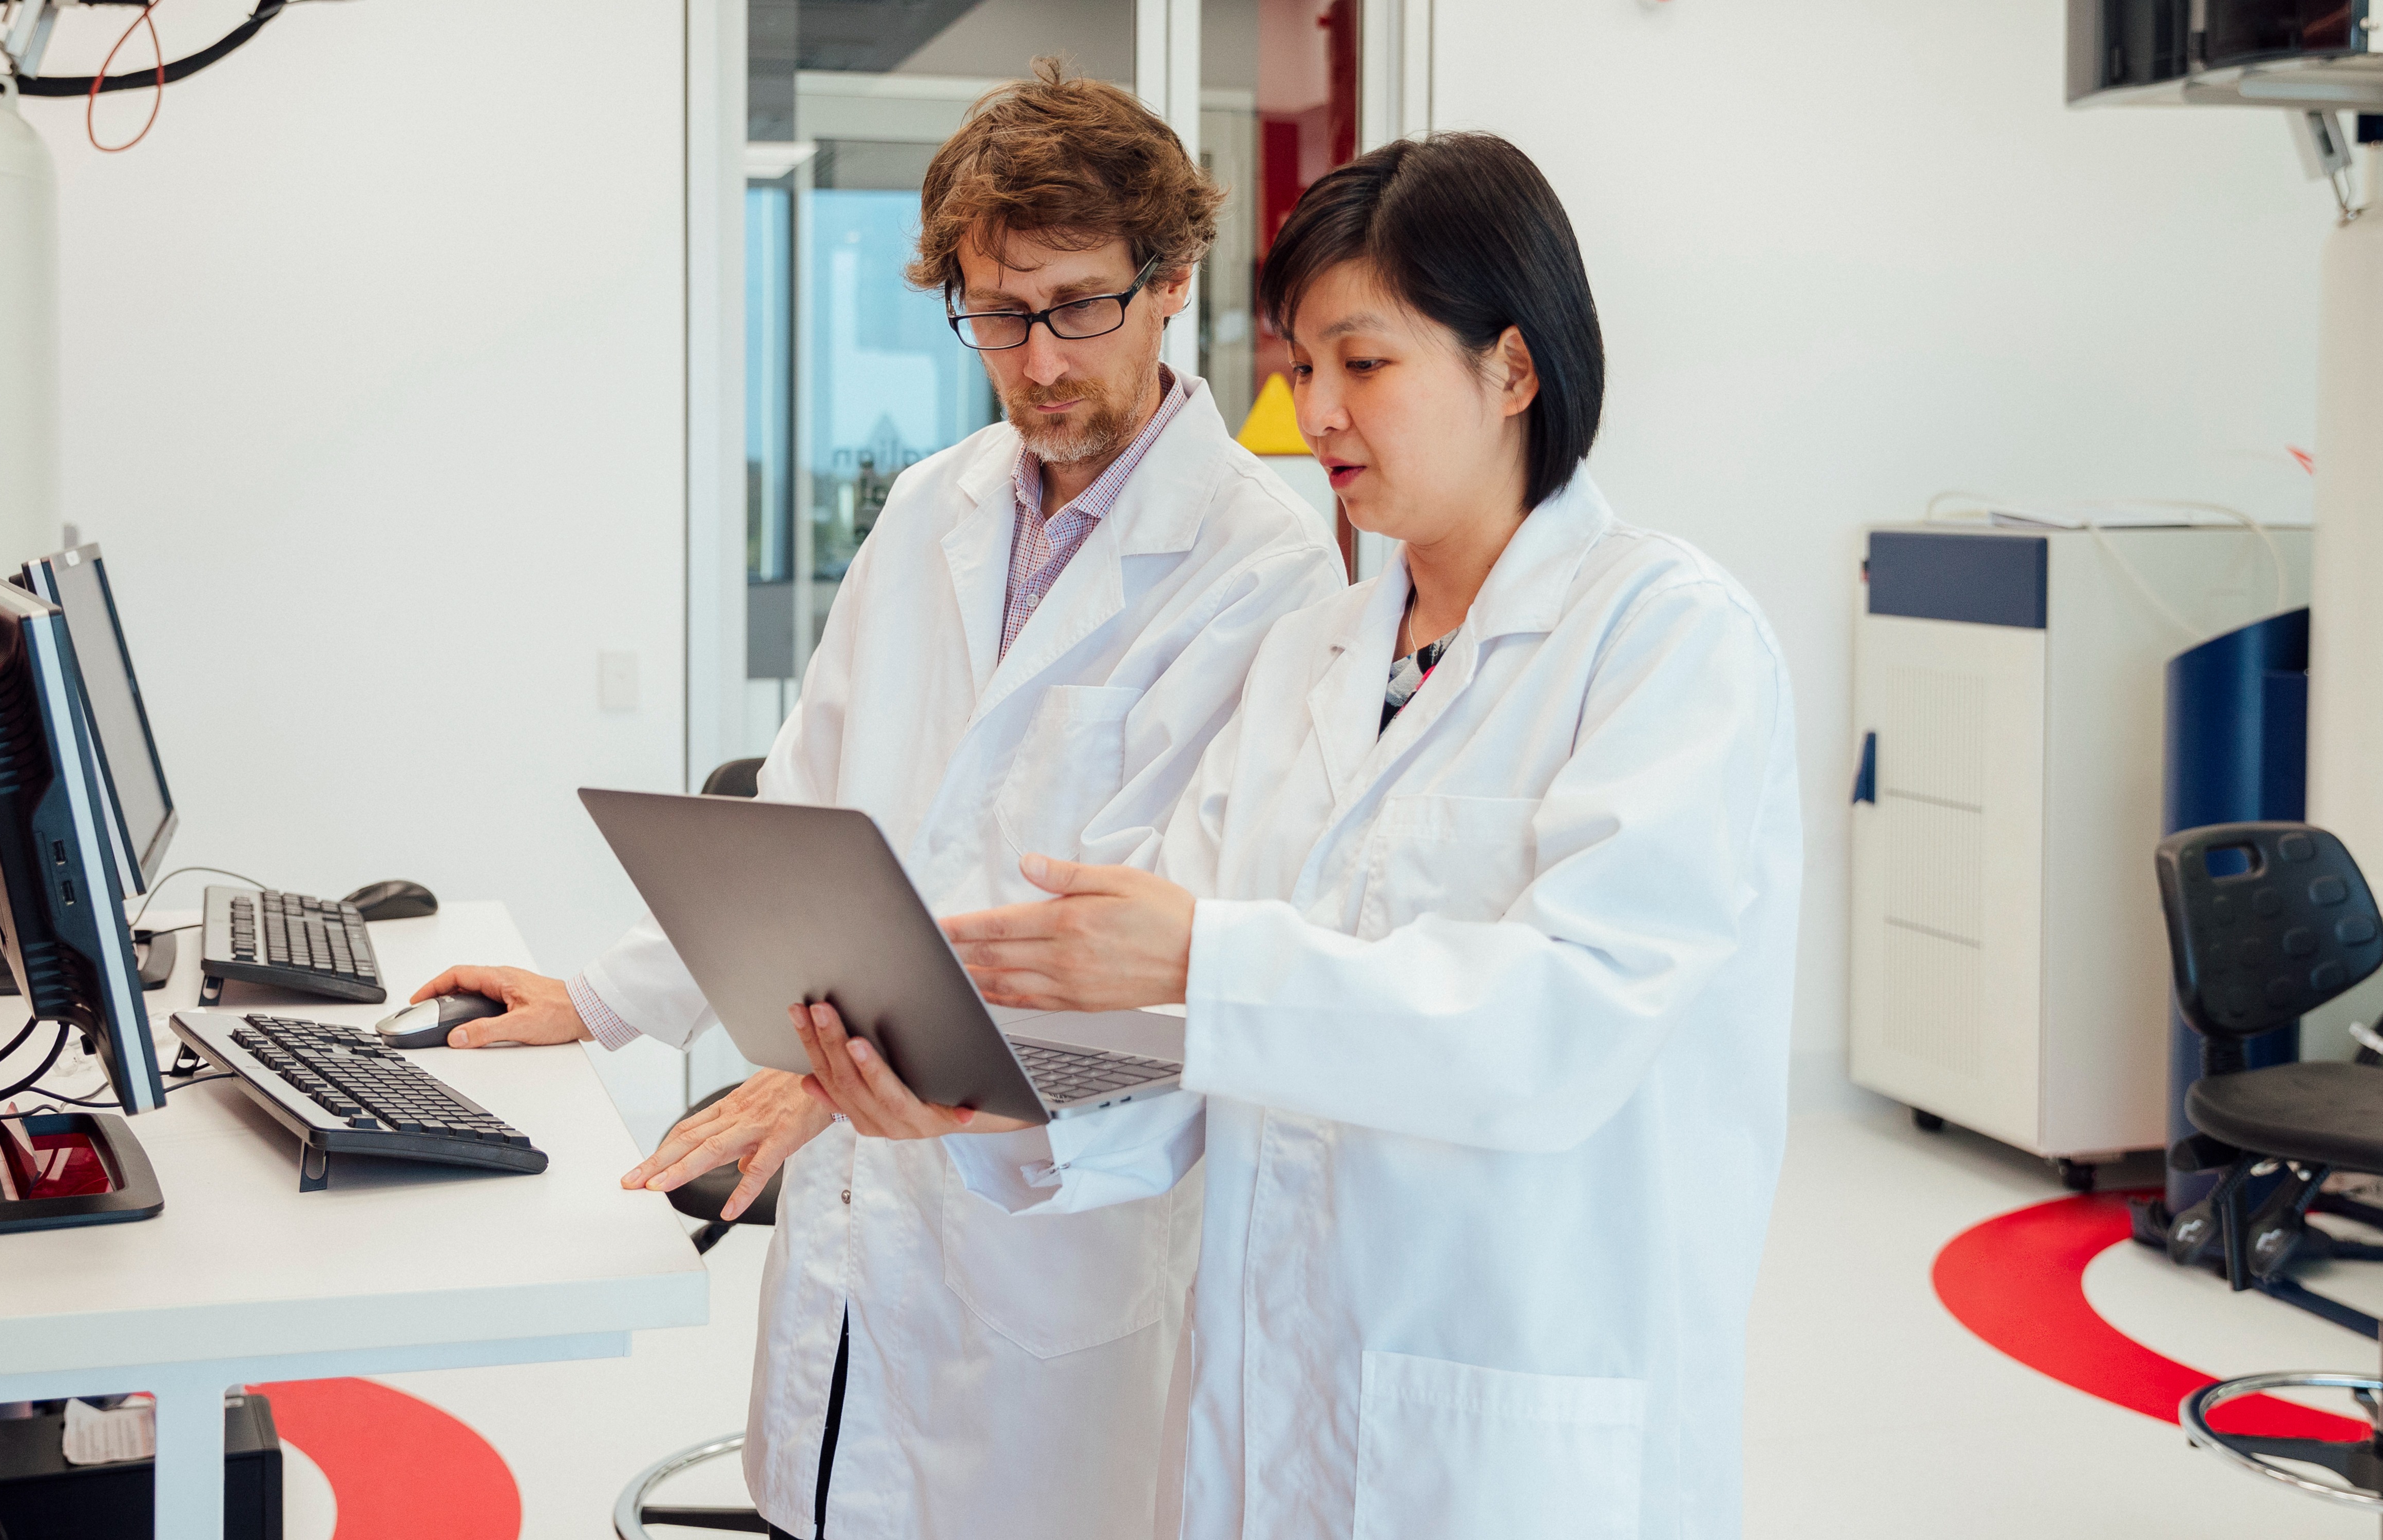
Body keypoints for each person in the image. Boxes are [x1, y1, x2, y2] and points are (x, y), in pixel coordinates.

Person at [787, 131, 1802, 1540]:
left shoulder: (1665, 644)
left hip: (1503, 1399)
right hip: (1270, 1390)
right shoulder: (1318, 655)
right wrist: (977, 1105)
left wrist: (1204, 956)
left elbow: (1562, 1033)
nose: (1314, 412)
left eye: (1361, 363)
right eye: (1296, 364)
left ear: (1510, 368)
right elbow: (1181, 1043)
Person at [409, 64, 1341, 1540]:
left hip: (1052, 1213)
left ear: (1171, 282)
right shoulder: (935, 506)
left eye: (1077, 307)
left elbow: (1172, 950)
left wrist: (902, 1072)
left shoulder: (1268, 572)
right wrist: (598, 1000)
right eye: (993, 313)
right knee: (827, 1491)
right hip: (868, 1169)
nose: (1035, 361)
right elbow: (800, 822)